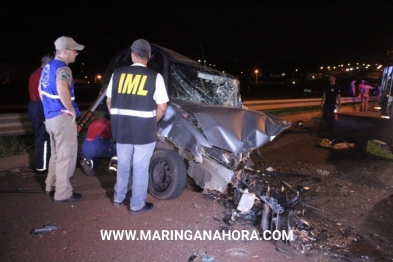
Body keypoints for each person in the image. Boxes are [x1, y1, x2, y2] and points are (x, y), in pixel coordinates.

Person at [106, 39, 169, 214]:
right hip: (144, 131)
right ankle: (136, 204)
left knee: (123, 164)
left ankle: (119, 197)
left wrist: (119, 118)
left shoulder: (117, 74)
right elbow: (162, 107)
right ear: (149, 56)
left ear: (132, 55)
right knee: (140, 168)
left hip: (121, 129)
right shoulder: (155, 77)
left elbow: (109, 101)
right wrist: (150, 122)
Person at [40, 36, 84, 203]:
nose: (76, 54)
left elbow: (40, 88)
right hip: (62, 118)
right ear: (65, 51)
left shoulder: (47, 67)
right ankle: (63, 193)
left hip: (50, 118)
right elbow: (61, 88)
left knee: (56, 154)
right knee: (66, 156)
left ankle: (50, 185)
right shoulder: (63, 69)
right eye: (74, 50)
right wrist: (71, 111)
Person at [28, 53, 54, 174]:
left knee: (40, 136)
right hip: (40, 106)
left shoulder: (34, 73)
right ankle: (42, 166)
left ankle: (41, 164)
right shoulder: (43, 74)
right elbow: (44, 94)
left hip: (33, 105)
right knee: (43, 138)